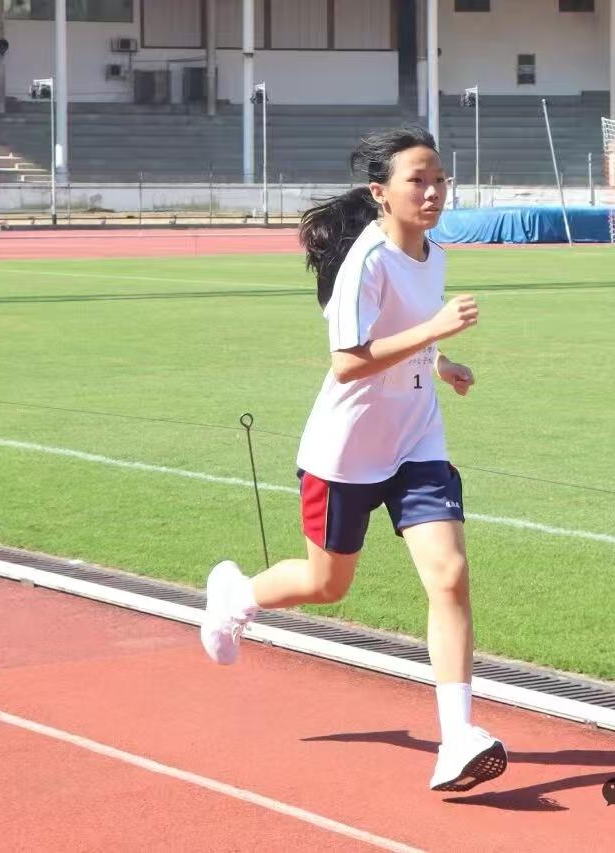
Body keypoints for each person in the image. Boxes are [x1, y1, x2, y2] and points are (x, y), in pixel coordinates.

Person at [198, 127, 504, 793]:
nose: (433, 192)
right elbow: (347, 362)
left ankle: (457, 738)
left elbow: (407, 333)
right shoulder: (364, 262)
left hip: (416, 438)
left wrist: (440, 362)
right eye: (417, 180)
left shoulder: (433, 254)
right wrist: (434, 330)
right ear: (380, 192)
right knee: (327, 583)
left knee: (450, 575)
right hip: (346, 450)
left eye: (440, 179)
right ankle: (236, 597)